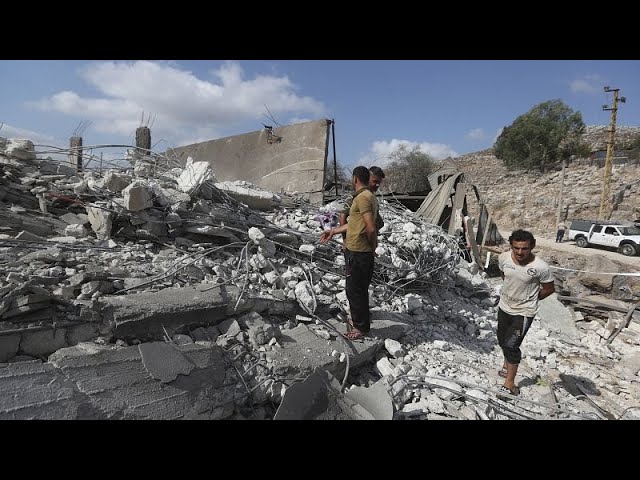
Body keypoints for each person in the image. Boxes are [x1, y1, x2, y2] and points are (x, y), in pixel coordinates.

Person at [320, 166, 378, 341]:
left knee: (354, 290)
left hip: (359, 252)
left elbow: (370, 227)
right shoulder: (367, 197)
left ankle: (360, 328)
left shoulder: (363, 198)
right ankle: (361, 322)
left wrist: (371, 247)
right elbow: (354, 224)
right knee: (358, 289)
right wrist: (334, 231)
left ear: (354, 179)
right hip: (359, 251)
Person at [496, 229, 555, 397]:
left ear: (532, 247)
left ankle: (510, 385)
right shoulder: (503, 258)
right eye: (516, 248)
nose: (520, 252)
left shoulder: (540, 267)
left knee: (512, 345)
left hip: (524, 312)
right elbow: (505, 276)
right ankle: (507, 364)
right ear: (511, 246)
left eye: (524, 248)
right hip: (504, 306)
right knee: (502, 340)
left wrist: (529, 299)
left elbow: (549, 289)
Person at [339, 166, 385, 239]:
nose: (377, 185)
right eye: (375, 181)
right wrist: (345, 239)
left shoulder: (371, 196)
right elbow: (342, 217)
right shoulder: (357, 197)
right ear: (367, 179)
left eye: (379, 182)